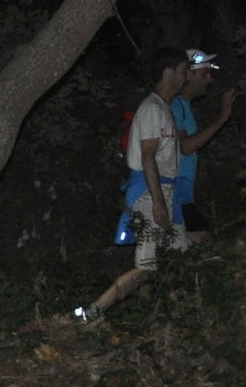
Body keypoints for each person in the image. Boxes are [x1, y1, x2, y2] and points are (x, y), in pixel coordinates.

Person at [74, 51, 191, 326]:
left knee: (182, 258)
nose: (187, 76)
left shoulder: (164, 109)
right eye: (184, 70)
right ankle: (90, 314)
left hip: (164, 193)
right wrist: (158, 202)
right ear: (168, 72)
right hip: (150, 194)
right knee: (145, 267)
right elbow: (148, 157)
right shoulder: (151, 108)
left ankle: (170, 321)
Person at [171, 50, 236, 242]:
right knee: (205, 243)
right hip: (174, 191)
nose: (210, 79)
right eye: (204, 74)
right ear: (188, 75)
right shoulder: (175, 105)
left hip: (182, 192)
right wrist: (222, 118)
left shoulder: (184, 106)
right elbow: (185, 147)